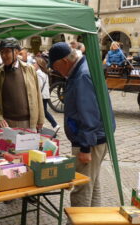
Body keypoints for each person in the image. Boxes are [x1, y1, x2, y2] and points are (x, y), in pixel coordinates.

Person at [49, 42, 115, 207]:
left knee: (82, 187)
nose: (56, 70)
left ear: (65, 61)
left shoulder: (82, 75)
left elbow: (89, 114)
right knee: (92, 183)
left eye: (56, 66)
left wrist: (85, 147)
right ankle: (94, 219)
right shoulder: (83, 68)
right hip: (95, 138)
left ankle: (78, 220)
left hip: (89, 140)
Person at [0, 37, 44, 132]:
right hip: (7, 125)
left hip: (29, 123)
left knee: (30, 147)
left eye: (7, 51)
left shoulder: (30, 69)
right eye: (1, 52)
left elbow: (38, 95)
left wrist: (40, 119)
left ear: (16, 52)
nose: (4, 55)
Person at [33, 56, 60, 131]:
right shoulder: (44, 73)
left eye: (35, 63)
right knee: (43, 112)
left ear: (39, 64)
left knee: (43, 112)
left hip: (41, 96)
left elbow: (39, 86)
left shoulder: (38, 73)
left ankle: (54, 125)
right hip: (45, 95)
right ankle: (44, 126)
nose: (33, 64)